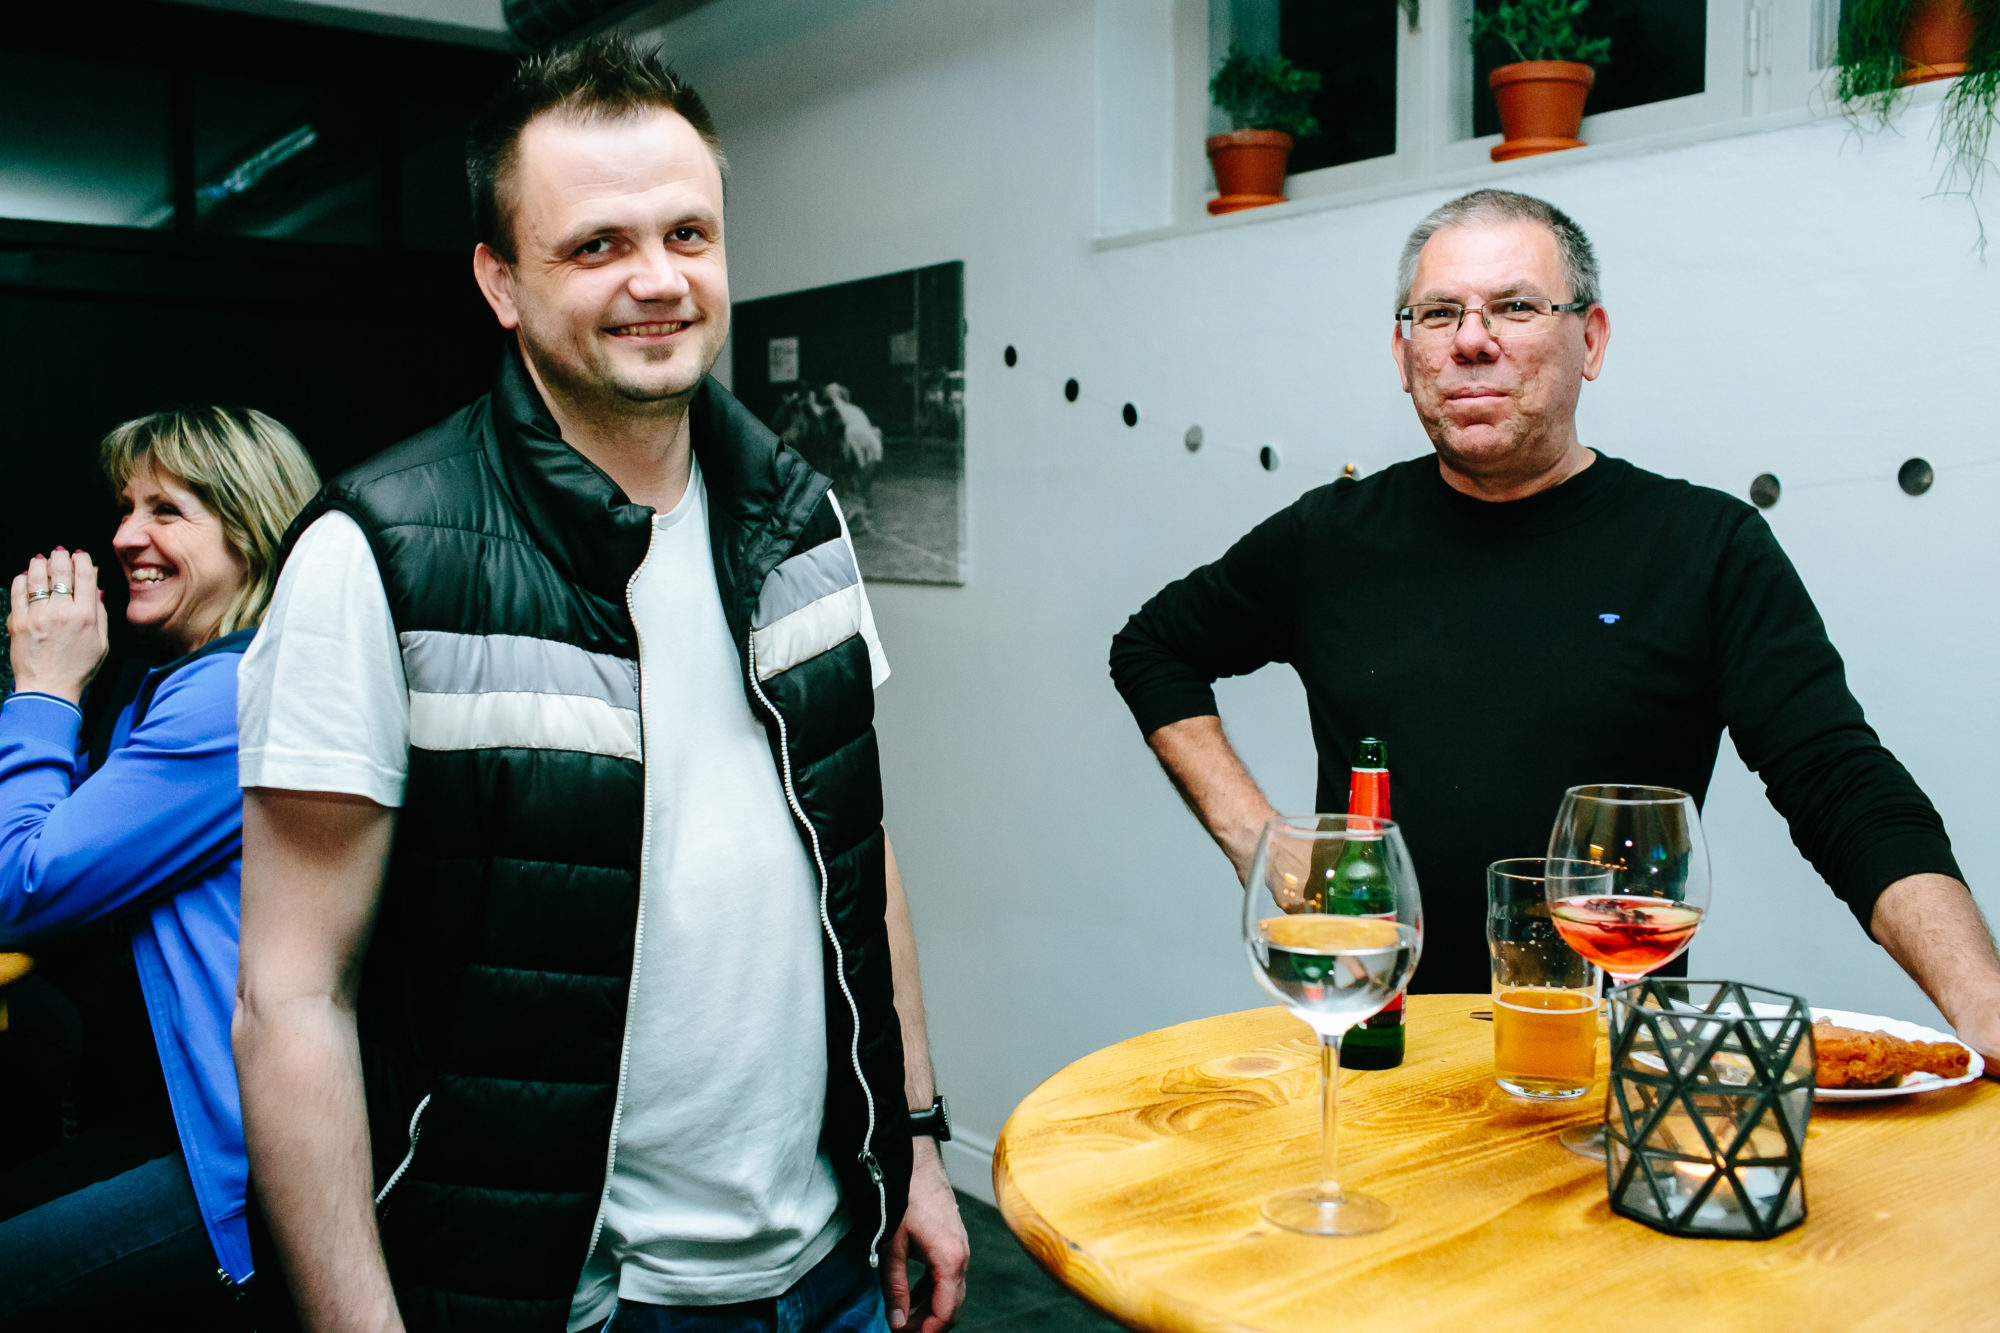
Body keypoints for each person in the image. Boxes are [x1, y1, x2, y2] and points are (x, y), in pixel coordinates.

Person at [231, 36, 968, 1333]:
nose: (658, 279)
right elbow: (291, 999)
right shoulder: (377, 559)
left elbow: (857, 845)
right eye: (597, 245)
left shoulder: (797, 517)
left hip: (834, 1268)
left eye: (688, 233)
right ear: (499, 281)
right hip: (575, 1299)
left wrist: (912, 1138)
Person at [1109, 188, 2000, 1063]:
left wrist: (1980, 994)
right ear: (1404, 352)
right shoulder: (1330, 538)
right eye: (1438, 313)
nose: (1470, 340)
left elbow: (1841, 784)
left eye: (1515, 306)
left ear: (1592, 340)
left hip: (1608, 1069)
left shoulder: (1703, 547)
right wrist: (1262, 846)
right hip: (1380, 1053)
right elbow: (1154, 647)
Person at [0, 406, 320, 1322]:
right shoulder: (186, 685)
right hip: (177, 1121)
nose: (124, 536)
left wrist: (44, 689)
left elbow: (23, 888)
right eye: (126, 507)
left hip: (241, 1162)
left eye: (167, 510)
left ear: (252, 531)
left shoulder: (232, 694)